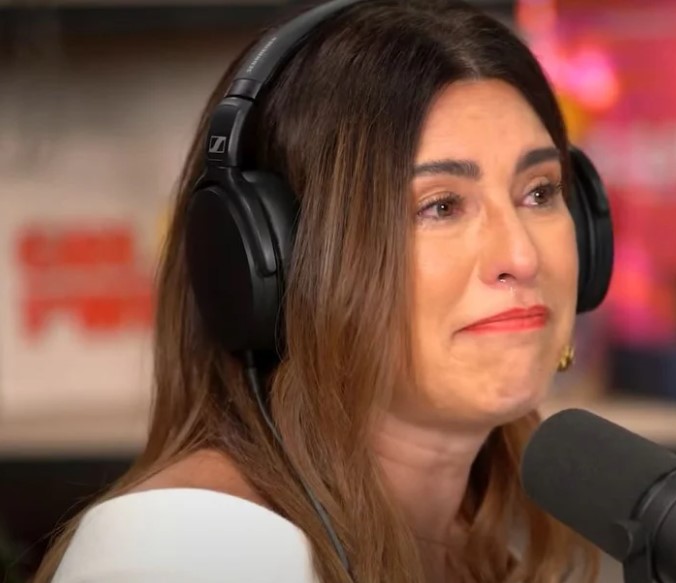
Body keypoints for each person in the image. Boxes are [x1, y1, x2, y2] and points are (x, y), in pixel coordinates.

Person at [34, 0, 606, 581]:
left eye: (540, 192)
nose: (521, 257)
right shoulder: (185, 549)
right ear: (275, 259)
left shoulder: (481, 550)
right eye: (440, 206)